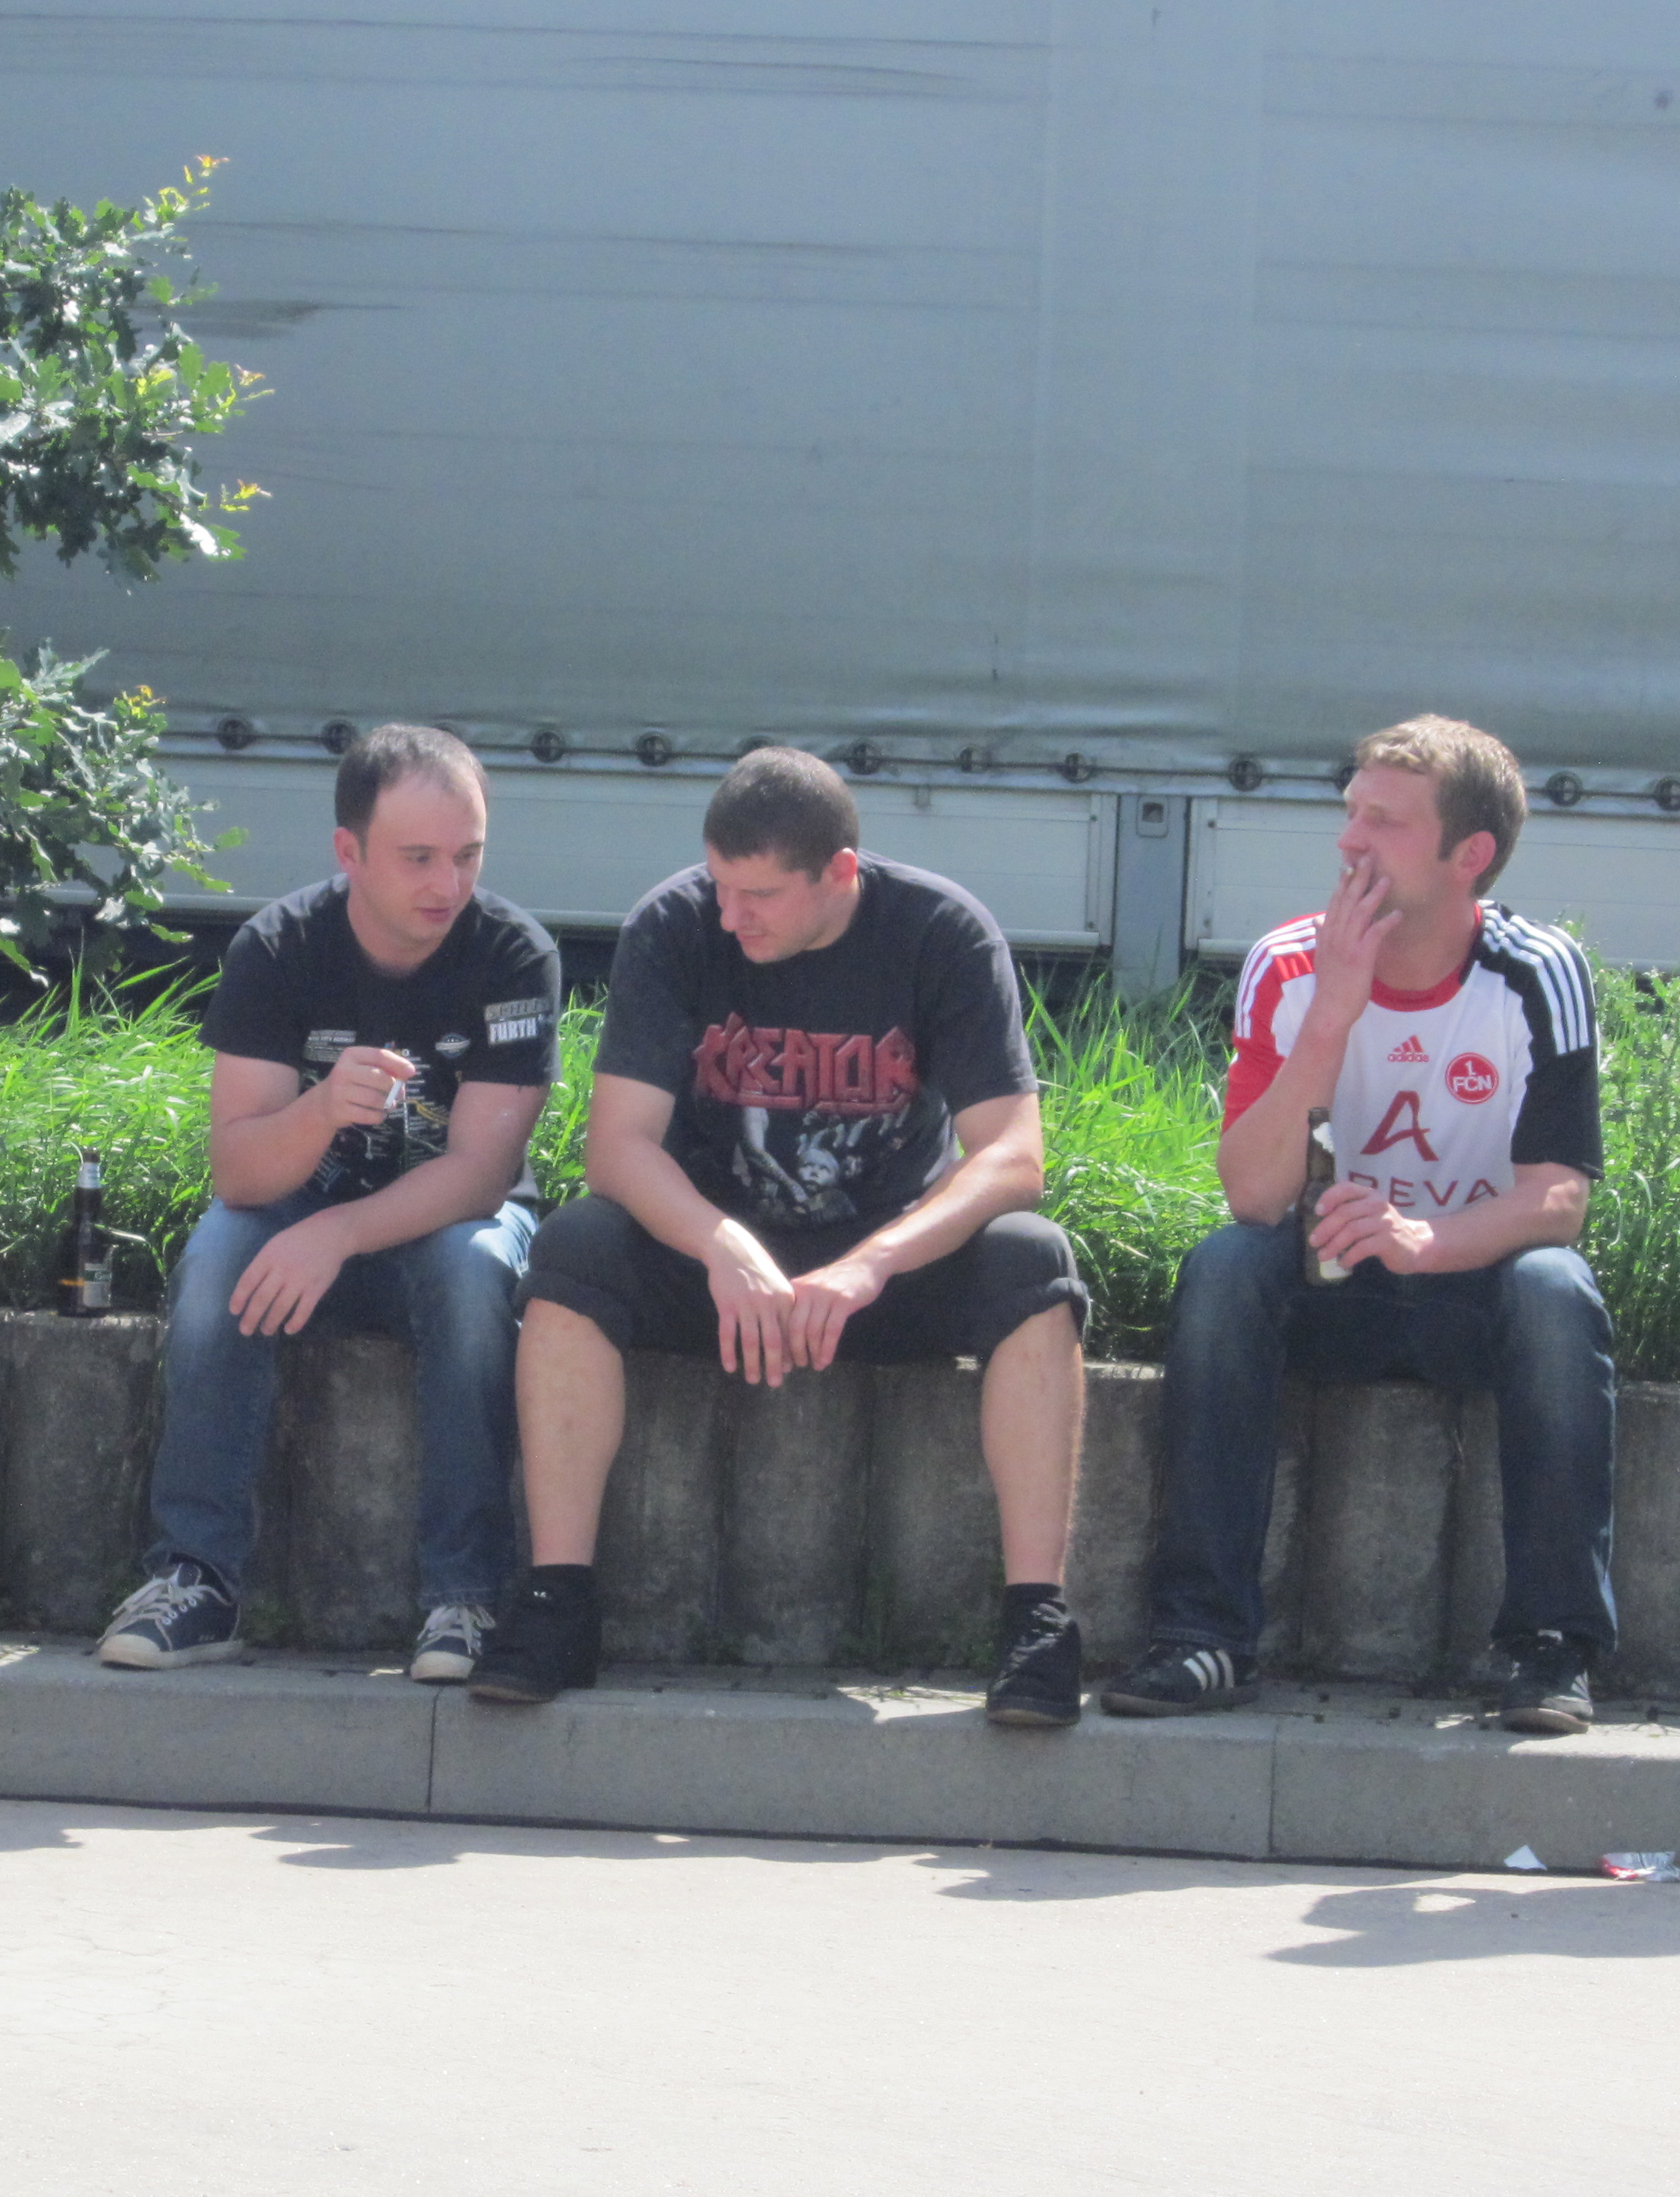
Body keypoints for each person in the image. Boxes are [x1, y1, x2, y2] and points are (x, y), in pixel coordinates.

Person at [468, 746, 1092, 1725]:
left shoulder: (940, 932)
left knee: (1033, 1260)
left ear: (838, 872)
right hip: (716, 1265)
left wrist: (871, 1264)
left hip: (882, 1269)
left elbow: (1014, 1156)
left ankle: (1037, 1624)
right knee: (577, 1248)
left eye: (757, 895)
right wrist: (721, 1245)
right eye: (719, 885)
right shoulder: (673, 925)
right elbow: (617, 1149)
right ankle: (556, 1601)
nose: (729, 916)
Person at [1113, 717, 1615, 1732]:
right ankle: (1203, 1636)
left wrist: (1427, 1240)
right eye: (1350, 813)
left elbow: (1559, 1200)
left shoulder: (1538, 970)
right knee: (1224, 1268)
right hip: (1328, 1287)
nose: (1349, 841)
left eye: (1384, 822)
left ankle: (1552, 1647)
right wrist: (1334, 1014)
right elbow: (1254, 1198)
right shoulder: (1288, 964)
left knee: (1555, 1291)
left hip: (1468, 1288)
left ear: (1468, 854)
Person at [99, 725, 560, 1683]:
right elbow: (238, 1171)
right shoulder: (279, 947)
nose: (447, 884)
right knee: (217, 1260)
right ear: (348, 851)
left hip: (445, 1225)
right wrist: (319, 1112)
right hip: (294, 1216)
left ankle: (464, 1598)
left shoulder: (515, 955)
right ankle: (196, 1578)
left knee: (475, 1273)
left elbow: (481, 1174)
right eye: (418, 858)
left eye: (468, 855)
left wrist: (339, 1232)